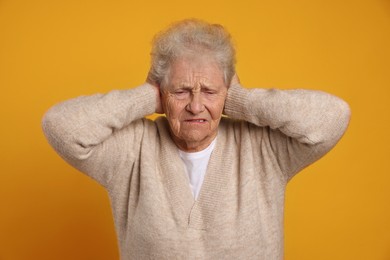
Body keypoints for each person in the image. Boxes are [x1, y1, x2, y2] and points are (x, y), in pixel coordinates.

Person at [42, 19, 351, 259]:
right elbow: (61, 126)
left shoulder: (264, 149)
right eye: (181, 91)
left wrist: (242, 99)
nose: (195, 105)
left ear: (227, 94)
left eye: (210, 91)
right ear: (162, 94)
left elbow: (333, 116)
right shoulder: (132, 152)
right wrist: (145, 97)